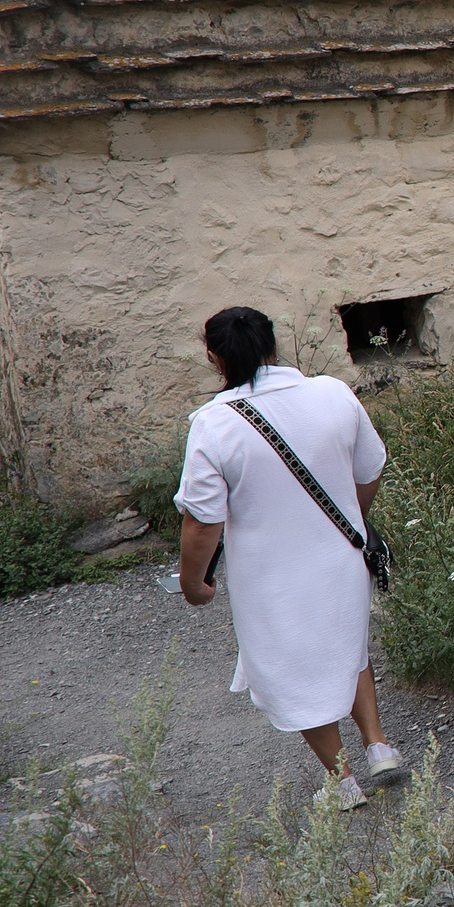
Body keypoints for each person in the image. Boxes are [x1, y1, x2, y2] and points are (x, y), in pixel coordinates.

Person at [173, 307, 404, 811]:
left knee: (292, 669)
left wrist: (193, 584)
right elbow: (370, 467)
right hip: (341, 559)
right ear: (273, 346)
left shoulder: (214, 426)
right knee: (347, 645)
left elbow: (202, 523)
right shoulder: (333, 394)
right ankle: (378, 746)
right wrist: (353, 522)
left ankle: (342, 782)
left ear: (214, 358)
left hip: (270, 579)